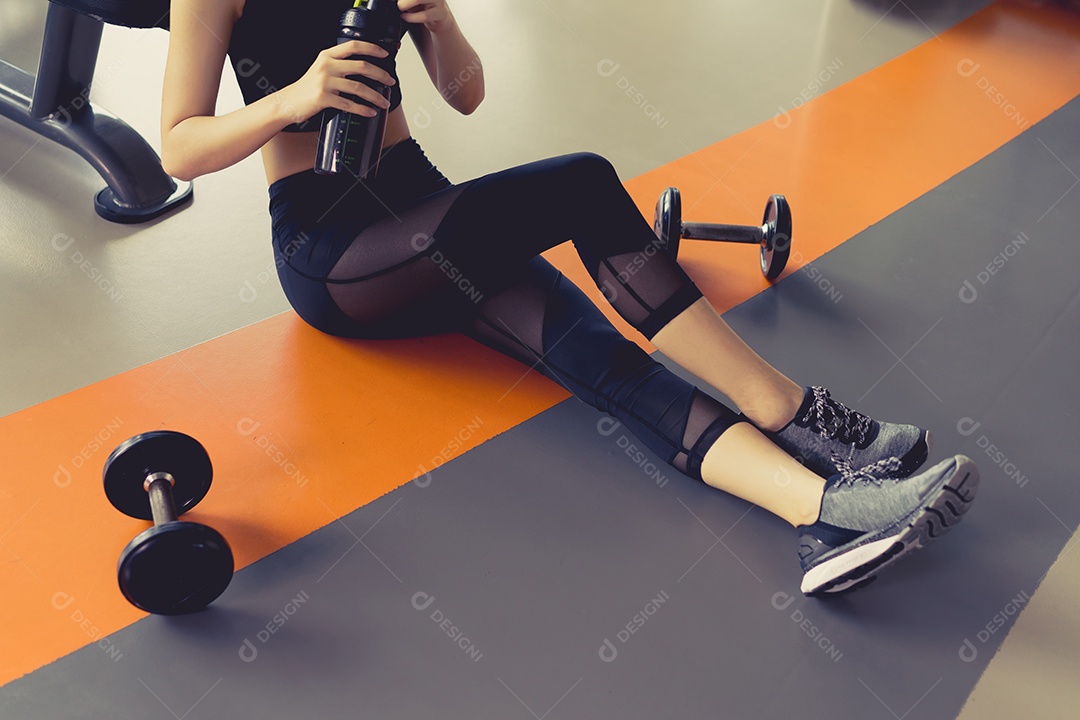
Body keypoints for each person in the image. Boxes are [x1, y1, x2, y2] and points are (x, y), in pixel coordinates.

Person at [160, 0, 978, 595]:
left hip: (428, 214)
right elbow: (178, 146)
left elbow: (467, 93)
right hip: (335, 251)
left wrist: (439, 23)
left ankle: (822, 514)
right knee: (582, 182)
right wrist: (293, 100)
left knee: (608, 364)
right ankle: (788, 407)